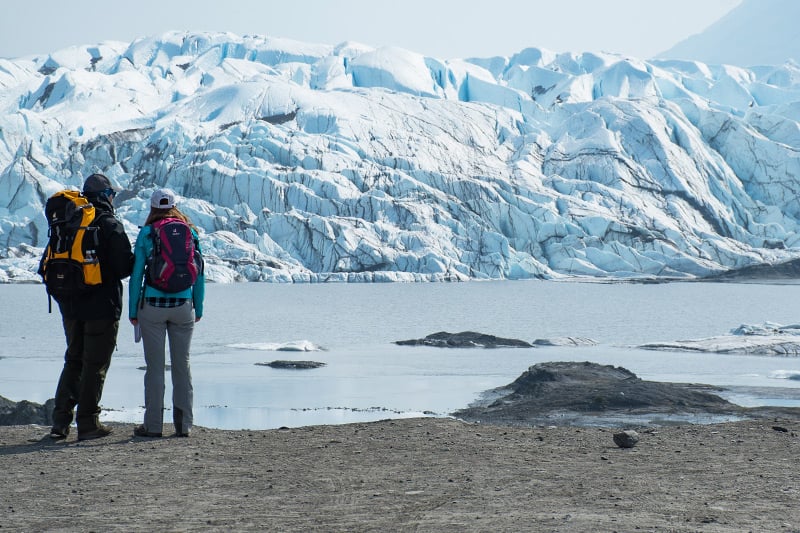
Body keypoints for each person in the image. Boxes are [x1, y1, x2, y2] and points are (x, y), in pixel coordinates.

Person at [48, 173, 134, 441]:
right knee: (95, 364)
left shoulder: (67, 222)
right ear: (106, 195)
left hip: (70, 306)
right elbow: (122, 268)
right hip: (102, 307)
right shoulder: (108, 224)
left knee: (73, 359)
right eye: (112, 193)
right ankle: (88, 423)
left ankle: (60, 423)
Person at [129, 188, 204, 438]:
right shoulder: (190, 232)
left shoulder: (147, 233)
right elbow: (200, 273)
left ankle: (153, 426)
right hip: (183, 307)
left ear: (152, 208)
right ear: (175, 206)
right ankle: (184, 426)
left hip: (152, 306)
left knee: (155, 367)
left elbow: (137, 274)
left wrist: (132, 311)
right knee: (182, 365)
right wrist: (199, 306)